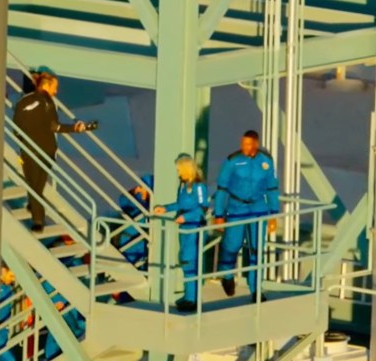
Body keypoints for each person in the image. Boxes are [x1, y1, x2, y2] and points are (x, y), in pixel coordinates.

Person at [13, 73, 88, 232]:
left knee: (34, 184)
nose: (56, 91)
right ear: (46, 85)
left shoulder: (24, 102)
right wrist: (74, 129)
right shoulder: (47, 102)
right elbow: (55, 127)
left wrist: (21, 139)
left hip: (30, 150)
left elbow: (17, 125)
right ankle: (37, 215)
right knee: (37, 185)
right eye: (55, 87)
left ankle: (36, 212)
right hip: (47, 150)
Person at [212, 130, 280, 301]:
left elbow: (272, 188)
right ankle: (227, 275)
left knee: (257, 248)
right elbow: (222, 188)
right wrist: (219, 214)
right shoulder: (233, 161)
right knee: (231, 245)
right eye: (243, 143)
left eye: (248, 144)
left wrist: (273, 214)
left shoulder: (266, 162)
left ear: (255, 144)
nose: (244, 147)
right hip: (236, 208)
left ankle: (256, 288)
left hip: (258, 208)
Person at [153, 154, 209, 313]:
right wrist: (165, 208)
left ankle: (193, 297)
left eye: (179, 169)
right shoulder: (183, 186)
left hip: (194, 227)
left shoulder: (198, 187)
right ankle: (188, 294)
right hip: (183, 228)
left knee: (190, 260)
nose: (178, 173)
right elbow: (180, 203)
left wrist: (186, 217)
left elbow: (202, 208)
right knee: (184, 259)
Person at [113, 174, 154, 267]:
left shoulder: (151, 204)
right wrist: (135, 193)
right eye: (141, 186)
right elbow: (124, 201)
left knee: (142, 267)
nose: (142, 189)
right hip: (128, 239)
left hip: (142, 243)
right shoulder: (133, 199)